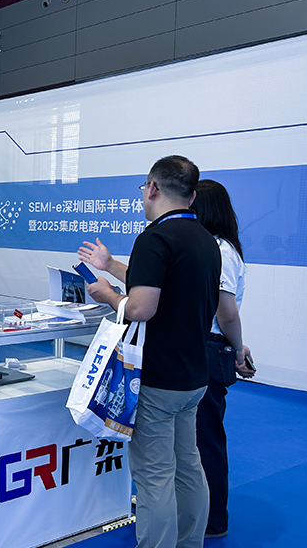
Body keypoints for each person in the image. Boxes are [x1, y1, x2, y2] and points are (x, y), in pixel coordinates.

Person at [78, 155, 221, 548]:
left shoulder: (154, 238)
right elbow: (160, 281)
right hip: (193, 375)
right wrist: (111, 265)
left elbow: (142, 307)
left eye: (144, 187)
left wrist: (108, 294)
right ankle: (190, 542)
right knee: (188, 465)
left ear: (153, 188)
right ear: (191, 196)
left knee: (154, 474)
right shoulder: (205, 240)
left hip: (158, 377)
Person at [191, 179, 255, 538]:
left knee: (206, 436)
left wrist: (238, 348)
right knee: (193, 436)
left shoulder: (221, 252)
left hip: (210, 348)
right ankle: (195, 510)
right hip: (201, 347)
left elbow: (227, 313)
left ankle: (213, 520)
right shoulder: (207, 247)